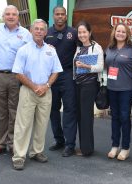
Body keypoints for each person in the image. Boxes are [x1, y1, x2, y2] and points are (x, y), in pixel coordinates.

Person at [11, 19, 63, 170]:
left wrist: (46, 86)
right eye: (36, 29)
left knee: (42, 123)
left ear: (46, 32)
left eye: (42, 29)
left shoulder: (51, 50)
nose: (39, 31)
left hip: (46, 91)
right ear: (31, 30)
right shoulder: (24, 50)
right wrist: (34, 87)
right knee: (23, 125)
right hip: (28, 91)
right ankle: (19, 156)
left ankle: (37, 152)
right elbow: (18, 73)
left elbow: (56, 71)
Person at [0, 5, 32, 157]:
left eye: (14, 14)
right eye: (8, 14)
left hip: (16, 77)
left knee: (14, 111)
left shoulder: (25, 34)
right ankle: (0, 143)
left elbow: (31, 54)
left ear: (18, 17)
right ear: (3, 16)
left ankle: (13, 143)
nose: (11, 16)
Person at [45, 6, 78, 157]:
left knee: (70, 109)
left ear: (66, 16)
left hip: (67, 74)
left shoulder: (73, 32)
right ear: (53, 16)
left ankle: (70, 144)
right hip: (52, 75)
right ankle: (59, 140)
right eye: (57, 14)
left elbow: (84, 47)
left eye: (62, 14)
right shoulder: (47, 32)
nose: (60, 17)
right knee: (53, 109)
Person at [105, 23, 132, 161]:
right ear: (114, 32)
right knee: (115, 117)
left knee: (124, 117)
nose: (120, 33)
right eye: (118, 31)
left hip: (126, 88)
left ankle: (125, 148)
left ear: (127, 34)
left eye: (123, 32)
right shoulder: (110, 47)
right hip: (112, 87)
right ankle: (114, 145)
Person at [73, 21, 104, 156]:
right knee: (80, 116)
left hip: (89, 86)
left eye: (84, 32)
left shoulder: (96, 47)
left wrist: (86, 66)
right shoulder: (79, 47)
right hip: (78, 85)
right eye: (79, 32)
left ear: (90, 32)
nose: (82, 35)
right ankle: (84, 147)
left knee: (86, 117)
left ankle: (87, 149)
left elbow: (100, 67)